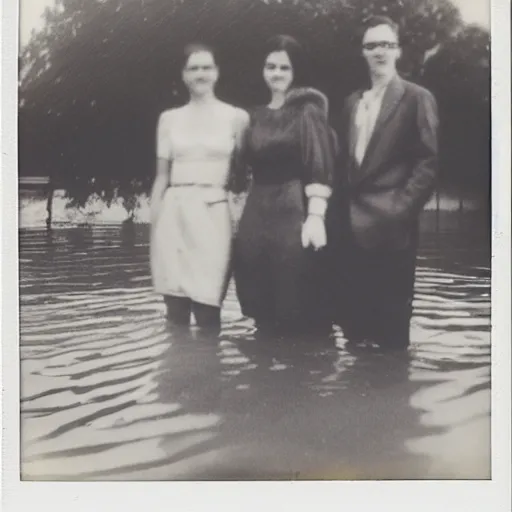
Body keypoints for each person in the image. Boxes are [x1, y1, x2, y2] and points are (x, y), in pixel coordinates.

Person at [328, 16, 439, 350]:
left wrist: (399, 212)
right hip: (351, 230)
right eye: (371, 45)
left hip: (392, 231)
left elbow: (428, 162)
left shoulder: (417, 98)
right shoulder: (352, 103)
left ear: (398, 51)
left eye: (386, 44)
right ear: (363, 52)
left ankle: (392, 398)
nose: (379, 51)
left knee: (391, 334)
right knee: (355, 329)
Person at [232, 35, 337, 338]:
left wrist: (316, 216)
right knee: (258, 294)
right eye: (270, 66)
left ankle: (299, 373)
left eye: (284, 68)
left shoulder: (307, 111)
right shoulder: (252, 115)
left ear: (295, 72)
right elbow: (239, 168)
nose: (276, 73)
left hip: (292, 208)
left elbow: (320, 163)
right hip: (257, 208)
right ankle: (263, 372)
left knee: (294, 295)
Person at [150, 43, 249, 334]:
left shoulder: (236, 118)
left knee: (208, 305)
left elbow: (242, 178)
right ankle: (177, 373)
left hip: (214, 213)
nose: (200, 74)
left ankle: (209, 372)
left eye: (206, 67)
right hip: (174, 211)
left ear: (217, 73)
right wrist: (155, 227)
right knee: (176, 308)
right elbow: (161, 178)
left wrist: (239, 221)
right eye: (194, 68)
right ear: (183, 75)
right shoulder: (169, 119)